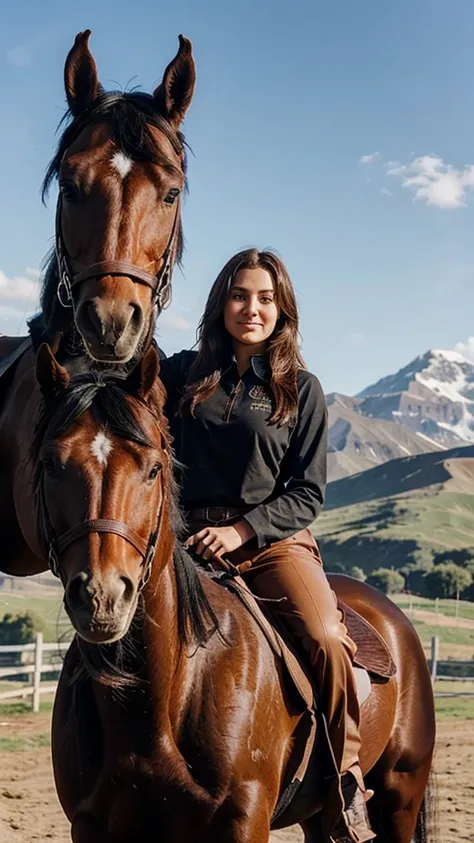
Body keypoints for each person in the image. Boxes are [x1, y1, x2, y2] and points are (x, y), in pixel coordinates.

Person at [159, 248, 374, 843]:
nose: (250, 308)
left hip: (272, 544)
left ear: (283, 309)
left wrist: (242, 530)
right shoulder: (182, 374)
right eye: (238, 295)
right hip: (184, 542)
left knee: (328, 638)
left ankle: (345, 780)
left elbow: (307, 492)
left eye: (264, 298)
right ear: (219, 303)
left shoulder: (301, 389)